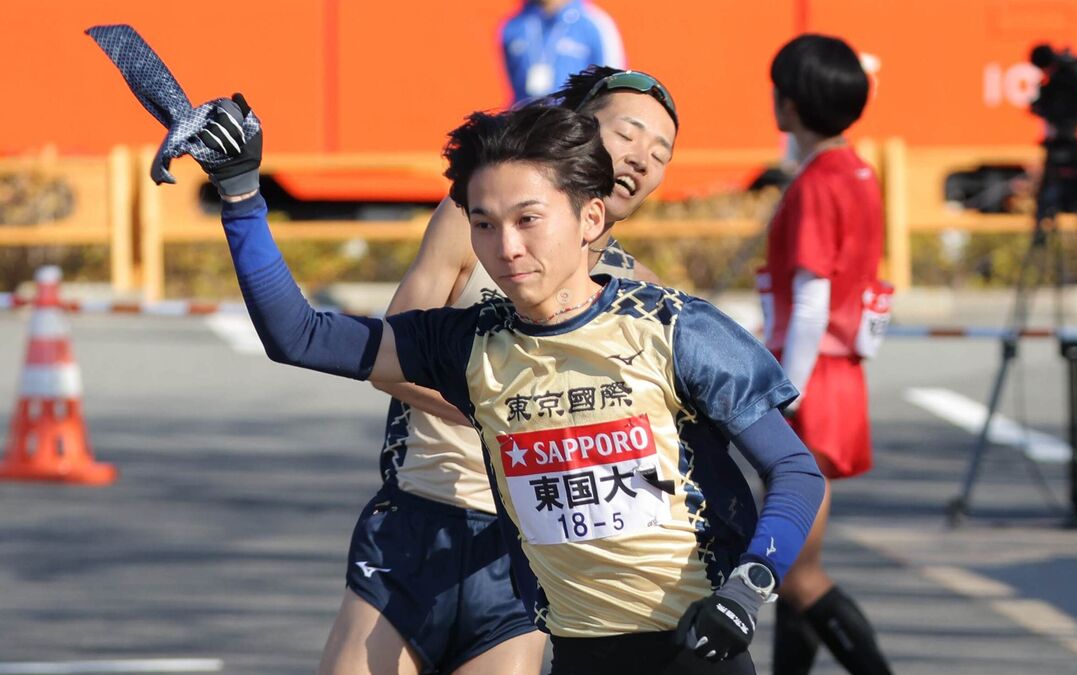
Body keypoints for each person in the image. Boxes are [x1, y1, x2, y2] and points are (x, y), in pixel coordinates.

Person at [190, 99, 826, 673]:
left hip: (694, 650)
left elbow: (796, 471)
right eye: (485, 224)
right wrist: (242, 194)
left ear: (590, 216)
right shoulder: (470, 344)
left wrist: (746, 591)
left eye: (528, 219)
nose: (507, 248)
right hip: (574, 654)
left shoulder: (673, 327)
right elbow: (298, 336)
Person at [321, 67, 680, 675]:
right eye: (629, 133)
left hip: (529, 553)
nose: (641, 158)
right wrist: (501, 414)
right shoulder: (479, 220)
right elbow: (389, 359)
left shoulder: (638, 294)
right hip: (421, 515)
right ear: (579, 129)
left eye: (661, 153)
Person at [759, 35, 893, 674]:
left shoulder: (816, 181)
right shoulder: (858, 170)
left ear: (795, 100)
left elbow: (811, 300)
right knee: (793, 564)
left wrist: (786, 390)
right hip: (840, 375)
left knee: (800, 568)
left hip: (809, 378)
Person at [501, 0, 625, 103]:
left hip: (573, 123)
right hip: (523, 122)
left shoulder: (594, 23)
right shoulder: (514, 25)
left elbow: (611, 81)